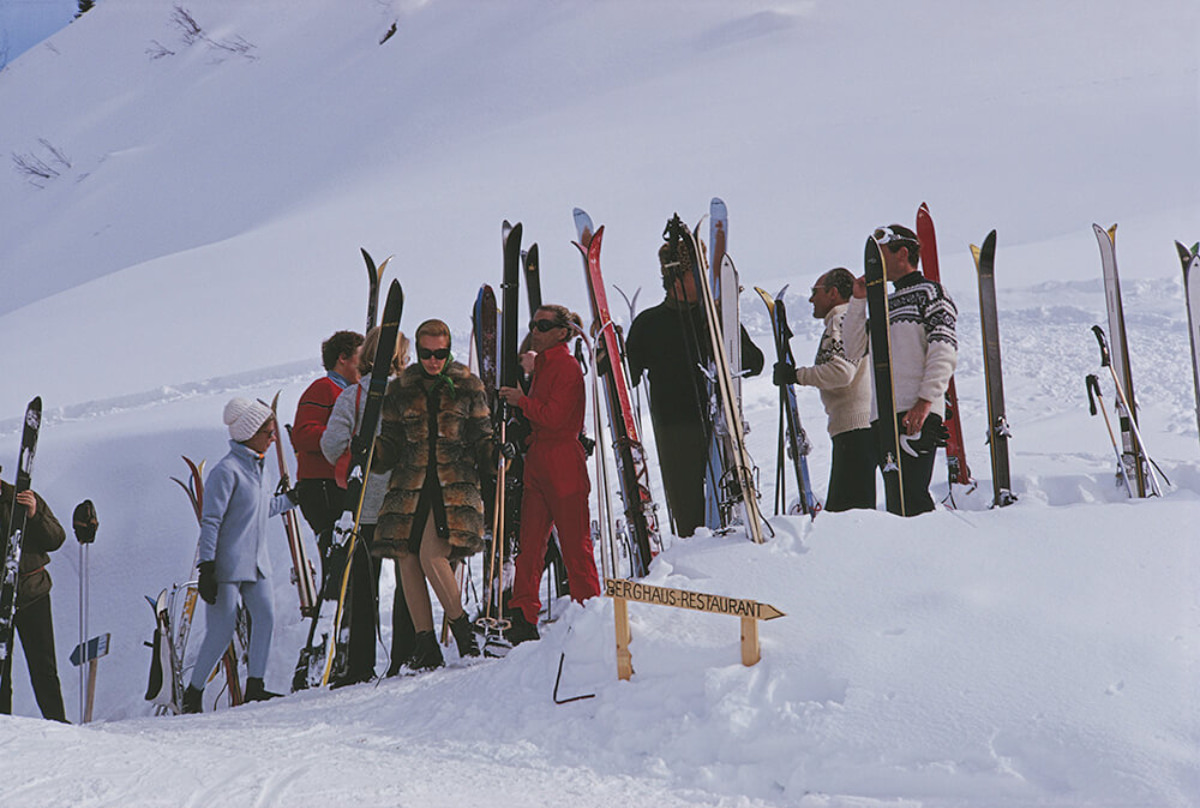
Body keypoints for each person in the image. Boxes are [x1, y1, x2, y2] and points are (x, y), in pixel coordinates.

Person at [625, 216, 764, 537]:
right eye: (696, 273)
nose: (704, 279)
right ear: (675, 277)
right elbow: (626, 378)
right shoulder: (649, 324)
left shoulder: (716, 318)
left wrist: (723, 331)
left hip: (721, 426)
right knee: (688, 515)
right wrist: (607, 353)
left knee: (729, 505)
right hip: (675, 429)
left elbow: (754, 362)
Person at [373, 319, 492, 670]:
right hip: (410, 486)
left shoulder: (467, 385)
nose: (434, 361)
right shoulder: (401, 389)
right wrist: (373, 452)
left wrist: (494, 458)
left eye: (440, 354)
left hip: (453, 486)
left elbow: (482, 435)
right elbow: (391, 445)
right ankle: (426, 644)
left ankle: (464, 633)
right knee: (406, 558)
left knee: (430, 555)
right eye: (426, 354)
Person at [183, 398, 299, 713]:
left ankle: (256, 687)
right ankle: (192, 694)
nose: (273, 438)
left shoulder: (260, 468)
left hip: (258, 564)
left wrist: (293, 499)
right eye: (268, 432)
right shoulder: (226, 472)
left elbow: (260, 511)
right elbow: (211, 522)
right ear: (249, 433)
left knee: (265, 618)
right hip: (227, 567)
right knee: (221, 631)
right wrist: (206, 565)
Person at [499, 305, 601, 644]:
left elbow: (555, 417)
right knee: (529, 543)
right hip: (541, 457)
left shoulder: (567, 367)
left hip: (561, 457)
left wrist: (521, 401)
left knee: (575, 543)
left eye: (542, 325)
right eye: (533, 325)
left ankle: (590, 609)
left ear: (562, 331)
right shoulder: (543, 364)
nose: (535, 331)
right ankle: (523, 613)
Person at [320, 326, 414, 682]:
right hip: (406, 500)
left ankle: (360, 665)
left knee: (363, 588)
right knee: (409, 583)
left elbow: (331, 447)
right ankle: (405, 656)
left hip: (365, 505)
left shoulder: (352, 398)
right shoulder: (412, 393)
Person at [843, 224, 957, 516]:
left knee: (913, 496)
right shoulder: (884, 303)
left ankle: (932, 553)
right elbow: (853, 350)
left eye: (882, 254)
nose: (875, 263)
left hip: (915, 412)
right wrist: (858, 300)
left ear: (902, 253)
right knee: (896, 500)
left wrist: (925, 401)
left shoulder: (931, 293)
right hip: (883, 415)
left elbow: (943, 349)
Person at [772, 267, 875, 511]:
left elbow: (842, 372)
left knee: (848, 514)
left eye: (815, 292)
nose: (810, 299)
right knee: (854, 509)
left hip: (855, 428)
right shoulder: (849, 320)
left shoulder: (842, 321)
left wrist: (796, 376)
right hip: (859, 427)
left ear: (833, 293)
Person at [291, 330, 364, 563]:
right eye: (360, 358)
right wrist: (340, 436)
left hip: (337, 485)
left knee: (350, 561)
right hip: (322, 488)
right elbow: (301, 435)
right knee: (337, 561)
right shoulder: (323, 388)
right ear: (343, 358)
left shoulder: (350, 393)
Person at [0, 480, 67, 722]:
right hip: (1, 600)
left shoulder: (22, 498)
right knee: (0, 671)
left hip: (32, 593)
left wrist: (35, 515)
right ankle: (3, 725)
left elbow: (56, 539)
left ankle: (57, 722)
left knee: (44, 667)